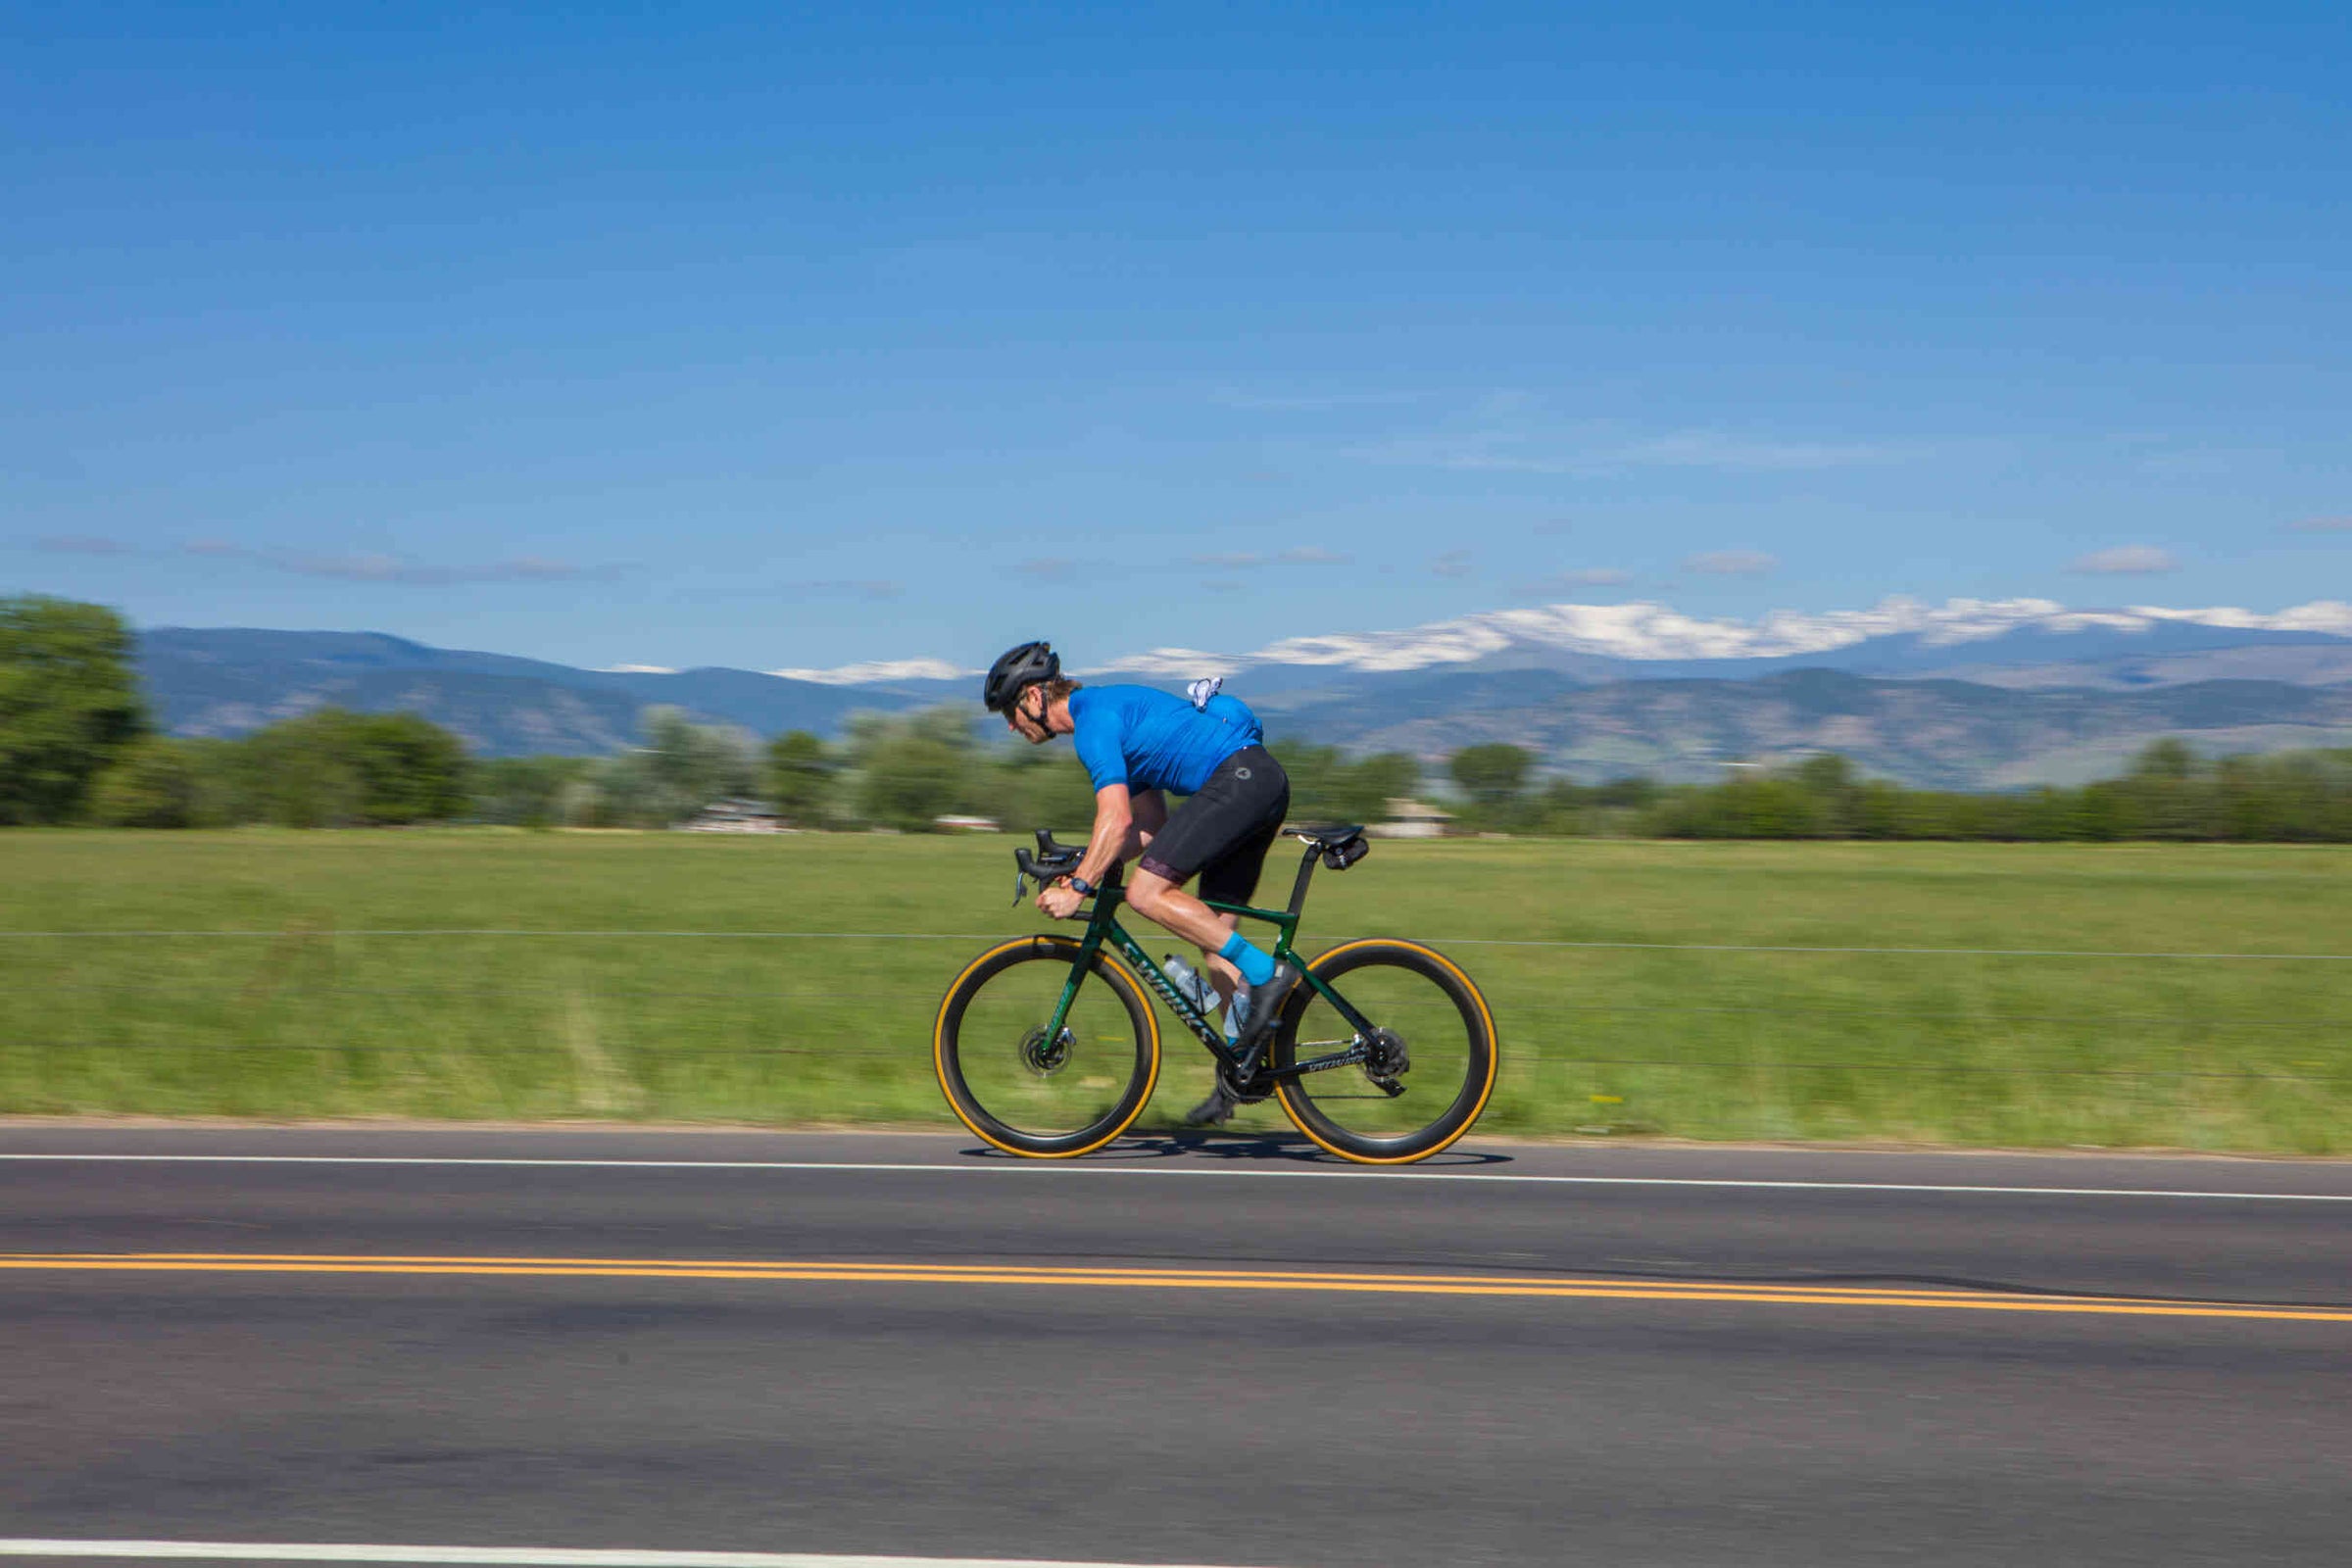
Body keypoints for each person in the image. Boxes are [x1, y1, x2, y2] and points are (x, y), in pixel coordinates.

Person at [983, 640, 1298, 1126]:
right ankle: (1241, 1074)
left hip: (1240, 779)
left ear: (1033, 697)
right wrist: (1082, 864)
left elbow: (1115, 815)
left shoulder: (1093, 722)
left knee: (1145, 893)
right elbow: (1145, 828)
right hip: (1255, 782)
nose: (1010, 725)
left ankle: (1269, 975)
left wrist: (1078, 890)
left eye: (1009, 710)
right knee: (1213, 941)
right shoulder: (1109, 715)